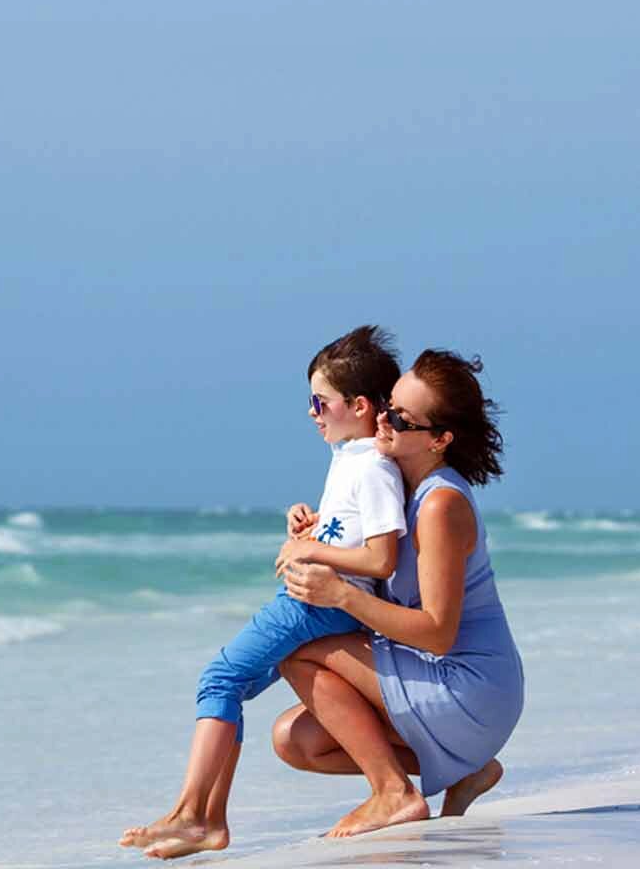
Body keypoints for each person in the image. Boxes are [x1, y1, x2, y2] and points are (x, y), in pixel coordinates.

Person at [119, 325, 407, 860]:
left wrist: (312, 554)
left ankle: (193, 816)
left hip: (315, 605)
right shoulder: (351, 457)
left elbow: (380, 559)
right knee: (232, 689)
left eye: (319, 402)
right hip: (314, 600)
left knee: (220, 679)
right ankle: (208, 820)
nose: (311, 412)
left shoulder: (372, 467)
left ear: (360, 405)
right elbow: (353, 533)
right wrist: (312, 528)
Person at [271, 348, 525, 838]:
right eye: (386, 406)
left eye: (400, 418)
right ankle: (467, 771)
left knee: (300, 651)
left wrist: (340, 596)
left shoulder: (440, 505)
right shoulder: (400, 490)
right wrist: (317, 528)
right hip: (437, 677)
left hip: (469, 685)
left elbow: (437, 634)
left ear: (439, 440)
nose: (382, 420)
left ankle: (393, 793)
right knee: (295, 740)